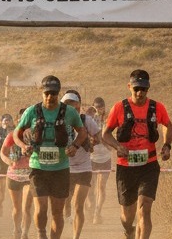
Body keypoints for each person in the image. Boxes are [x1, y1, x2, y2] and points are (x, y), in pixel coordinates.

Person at [101, 70, 172, 239]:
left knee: (145, 207)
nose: (140, 93)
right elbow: (105, 134)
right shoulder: (119, 107)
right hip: (126, 166)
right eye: (136, 89)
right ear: (129, 87)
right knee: (127, 216)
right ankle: (128, 230)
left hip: (149, 164)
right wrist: (117, 146)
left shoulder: (157, 107)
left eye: (144, 89)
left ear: (148, 88)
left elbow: (168, 125)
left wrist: (167, 145)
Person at [14, 75, 87, 239]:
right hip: (38, 167)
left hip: (60, 168)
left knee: (57, 211)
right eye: (47, 93)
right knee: (40, 208)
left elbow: (82, 131)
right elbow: (16, 133)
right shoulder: (32, 111)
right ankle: (41, 234)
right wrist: (23, 146)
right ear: (42, 92)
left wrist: (75, 145)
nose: (50, 97)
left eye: (53, 93)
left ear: (58, 93)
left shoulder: (68, 112)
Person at [62, 90, 102, 239]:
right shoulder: (58, 122)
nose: (72, 108)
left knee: (78, 206)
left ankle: (76, 236)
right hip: (64, 168)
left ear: (79, 107)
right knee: (64, 204)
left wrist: (94, 141)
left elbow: (98, 135)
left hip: (84, 168)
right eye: (68, 105)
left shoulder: (86, 120)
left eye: (74, 105)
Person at [1, 110, 34, 239]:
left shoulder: (34, 136)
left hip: (29, 176)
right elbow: (2, 153)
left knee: (26, 207)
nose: (23, 123)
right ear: (17, 121)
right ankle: (16, 229)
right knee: (17, 208)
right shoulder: (11, 136)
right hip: (14, 175)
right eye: (21, 121)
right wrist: (8, 161)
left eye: (26, 121)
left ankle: (25, 232)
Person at [86, 97, 112, 224]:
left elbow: (110, 132)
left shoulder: (108, 117)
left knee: (101, 187)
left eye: (101, 107)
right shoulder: (89, 118)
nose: (99, 110)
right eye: (97, 108)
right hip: (91, 158)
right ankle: (90, 208)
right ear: (93, 107)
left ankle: (98, 212)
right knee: (90, 187)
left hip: (105, 157)